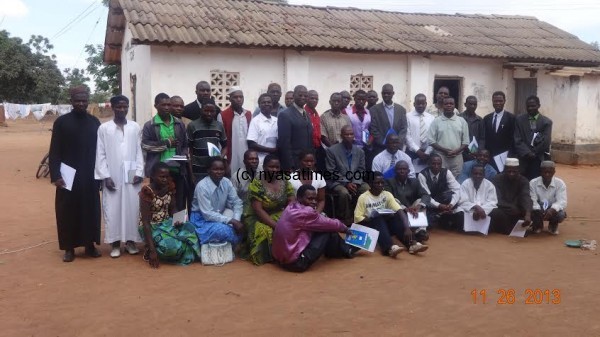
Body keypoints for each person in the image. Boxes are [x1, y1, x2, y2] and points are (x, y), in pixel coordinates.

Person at [49, 86, 102, 262]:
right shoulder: (61, 122)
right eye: (77, 100)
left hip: (90, 174)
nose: (81, 103)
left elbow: (101, 152)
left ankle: (90, 245)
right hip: (68, 175)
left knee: (90, 210)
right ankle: (69, 248)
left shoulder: (95, 122)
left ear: (88, 101)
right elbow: (54, 150)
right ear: (71, 101)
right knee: (67, 211)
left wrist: (101, 174)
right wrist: (56, 175)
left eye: (84, 100)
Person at [95, 95, 144, 258]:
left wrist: (139, 171)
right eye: (119, 107)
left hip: (131, 172)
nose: (122, 109)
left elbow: (138, 151)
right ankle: (115, 244)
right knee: (113, 208)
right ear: (113, 107)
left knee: (132, 207)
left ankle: (130, 242)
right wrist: (105, 176)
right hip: (112, 173)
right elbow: (100, 153)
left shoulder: (135, 127)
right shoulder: (104, 128)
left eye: (125, 106)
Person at [273, 185, 355, 273]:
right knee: (328, 230)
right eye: (309, 199)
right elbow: (330, 224)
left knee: (321, 228)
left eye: (315, 199)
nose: (314, 202)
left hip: (280, 259)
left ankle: (339, 250)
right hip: (296, 263)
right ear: (299, 198)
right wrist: (345, 229)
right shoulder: (306, 212)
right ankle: (346, 250)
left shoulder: (291, 207)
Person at [139, 162, 201, 268]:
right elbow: (145, 222)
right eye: (162, 177)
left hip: (166, 222)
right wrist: (153, 250)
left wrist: (179, 220)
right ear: (153, 176)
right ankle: (151, 250)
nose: (165, 179)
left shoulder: (169, 188)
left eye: (167, 177)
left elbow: (173, 209)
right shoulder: (147, 192)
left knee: (191, 229)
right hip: (152, 226)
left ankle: (171, 245)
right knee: (172, 248)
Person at [355, 172, 429, 257]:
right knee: (378, 219)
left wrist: (407, 228)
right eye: (377, 183)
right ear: (371, 184)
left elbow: (399, 210)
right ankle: (389, 248)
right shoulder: (363, 197)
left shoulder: (387, 194)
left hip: (384, 226)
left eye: (382, 182)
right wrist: (370, 217)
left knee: (395, 217)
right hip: (370, 226)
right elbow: (357, 218)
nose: (380, 185)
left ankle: (412, 244)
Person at [243, 155, 295, 265]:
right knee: (265, 231)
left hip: (277, 213)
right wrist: (277, 226)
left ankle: (291, 252)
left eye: (277, 167)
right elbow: (258, 210)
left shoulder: (284, 180)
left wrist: (287, 218)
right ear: (264, 167)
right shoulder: (257, 183)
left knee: (293, 225)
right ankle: (270, 256)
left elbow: (291, 201)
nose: (275, 170)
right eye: (271, 167)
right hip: (257, 217)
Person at [142, 93, 190, 212]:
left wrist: (184, 155)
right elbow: (146, 145)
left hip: (177, 170)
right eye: (163, 105)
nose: (167, 107)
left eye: (169, 104)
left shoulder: (179, 124)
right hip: (158, 173)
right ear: (156, 106)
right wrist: (166, 143)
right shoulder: (150, 125)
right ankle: (161, 229)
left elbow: (185, 145)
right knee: (159, 204)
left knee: (178, 203)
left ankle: (178, 228)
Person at [189, 157, 244, 245]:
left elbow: (236, 202)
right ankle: (235, 242)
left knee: (238, 221)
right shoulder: (202, 187)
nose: (219, 172)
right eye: (215, 169)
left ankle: (229, 240)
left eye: (221, 169)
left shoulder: (226, 182)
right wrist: (232, 221)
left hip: (219, 216)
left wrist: (236, 220)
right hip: (202, 220)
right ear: (208, 171)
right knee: (222, 230)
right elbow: (207, 214)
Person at [325, 125, 370, 226]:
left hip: (355, 180)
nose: (349, 136)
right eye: (346, 134)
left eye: (351, 134)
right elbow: (331, 171)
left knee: (366, 189)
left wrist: (354, 182)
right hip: (337, 181)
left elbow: (361, 169)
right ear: (341, 136)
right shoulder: (332, 151)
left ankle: (363, 216)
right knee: (344, 193)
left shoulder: (360, 151)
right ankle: (345, 218)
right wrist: (346, 183)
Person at [384, 161, 430, 243]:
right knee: (392, 199)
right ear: (395, 171)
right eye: (399, 169)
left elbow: (426, 195)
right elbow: (389, 199)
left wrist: (418, 206)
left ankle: (421, 231)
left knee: (421, 201)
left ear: (408, 171)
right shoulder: (389, 182)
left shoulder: (414, 181)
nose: (402, 171)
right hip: (398, 211)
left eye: (404, 169)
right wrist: (405, 208)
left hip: (412, 210)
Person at [186, 98, 227, 182]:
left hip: (215, 170)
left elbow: (225, 146)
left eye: (212, 111)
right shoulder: (192, 125)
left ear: (215, 111)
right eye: (206, 110)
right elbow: (189, 151)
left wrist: (219, 158)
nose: (209, 114)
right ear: (201, 110)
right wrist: (191, 173)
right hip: (198, 170)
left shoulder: (219, 126)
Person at [428, 97, 469, 177]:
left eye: (451, 104)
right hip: (441, 158)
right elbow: (431, 140)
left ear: (454, 106)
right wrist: (444, 150)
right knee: (441, 180)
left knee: (456, 182)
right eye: (446, 104)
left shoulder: (461, 121)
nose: (449, 106)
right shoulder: (436, 121)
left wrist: (456, 151)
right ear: (442, 106)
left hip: (457, 158)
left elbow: (466, 142)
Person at [490, 158, 532, 234]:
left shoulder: (523, 181)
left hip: (517, 209)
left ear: (518, 170)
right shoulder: (497, 179)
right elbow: (496, 198)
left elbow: (525, 197)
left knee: (532, 212)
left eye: (514, 172)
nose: (511, 174)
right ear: (504, 169)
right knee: (494, 212)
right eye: (509, 171)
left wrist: (527, 213)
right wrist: (510, 207)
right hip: (502, 208)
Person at [514, 95, 553, 180]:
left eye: (533, 106)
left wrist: (534, 153)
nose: (530, 108)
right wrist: (527, 152)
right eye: (528, 106)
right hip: (523, 158)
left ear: (538, 105)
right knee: (522, 182)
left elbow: (546, 141)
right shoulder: (519, 120)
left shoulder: (546, 122)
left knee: (535, 183)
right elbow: (517, 139)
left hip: (538, 159)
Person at [418, 154, 461, 229]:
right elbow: (426, 196)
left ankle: (443, 215)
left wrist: (451, 204)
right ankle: (437, 214)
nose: (436, 166)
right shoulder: (422, 175)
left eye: (439, 164)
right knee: (429, 224)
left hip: (441, 199)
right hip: (428, 202)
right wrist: (439, 205)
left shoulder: (446, 172)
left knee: (449, 196)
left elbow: (457, 189)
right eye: (433, 163)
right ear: (428, 164)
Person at [277, 85, 313, 171]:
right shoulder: (285, 115)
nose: (303, 97)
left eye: (305, 95)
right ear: (293, 96)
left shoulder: (306, 114)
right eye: (300, 95)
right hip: (294, 163)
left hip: (306, 164)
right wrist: (290, 166)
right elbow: (284, 143)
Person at [455, 164, 498, 232]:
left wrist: (482, 210)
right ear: (471, 174)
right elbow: (462, 201)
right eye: (475, 174)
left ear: (484, 175)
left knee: (497, 212)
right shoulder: (465, 183)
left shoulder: (489, 185)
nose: (478, 176)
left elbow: (492, 202)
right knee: (458, 213)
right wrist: (476, 207)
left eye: (480, 174)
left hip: (485, 211)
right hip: (468, 210)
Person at [369, 84, 408, 155]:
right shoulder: (374, 110)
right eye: (384, 93)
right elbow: (373, 129)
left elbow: (404, 128)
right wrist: (385, 143)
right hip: (380, 148)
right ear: (381, 94)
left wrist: (396, 143)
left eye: (388, 93)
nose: (386, 95)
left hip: (397, 149)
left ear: (393, 93)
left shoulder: (401, 110)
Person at [530, 161, 567, 235]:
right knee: (531, 212)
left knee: (561, 215)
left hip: (552, 208)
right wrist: (538, 210)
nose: (547, 174)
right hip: (538, 208)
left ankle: (553, 225)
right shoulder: (533, 182)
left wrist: (552, 209)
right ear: (540, 171)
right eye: (545, 172)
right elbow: (532, 200)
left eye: (550, 172)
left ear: (554, 172)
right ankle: (538, 225)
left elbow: (562, 201)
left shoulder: (560, 183)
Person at [221, 86, 251, 174]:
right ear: (229, 99)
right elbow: (221, 141)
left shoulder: (248, 114)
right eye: (235, 97)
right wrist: (224, 160)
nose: (238, 99)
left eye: (241, 97)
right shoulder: (223, 115)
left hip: (246, 154)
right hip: (231, 156)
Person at [483, 91, 516, 171]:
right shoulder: (486, 118)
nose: (498, 103)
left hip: (504, 157)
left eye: (500, 101)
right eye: (495, 101)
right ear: (492, 101)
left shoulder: (512, 118)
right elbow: (484, 137)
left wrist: (509, 156)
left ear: (504, 101)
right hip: (489, 157)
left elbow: (514, 139)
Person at [247, 93, 278, 169]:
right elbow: (251, 144)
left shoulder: (276, 120)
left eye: (269, 102)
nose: (266, 104)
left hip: (275, 161)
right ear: (259, 105)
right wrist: (271, 150)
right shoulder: (255, 121)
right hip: (261, 161)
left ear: (272, 104)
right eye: (263, 102)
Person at [405, 94, 435, 163]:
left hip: (428, 154)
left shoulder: (431, 118)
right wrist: (417, 151)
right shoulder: (408, 117)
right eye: (418, 104)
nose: (420, 106)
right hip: (412, 152)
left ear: (426, 104)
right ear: (414, 104)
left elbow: (434, 137)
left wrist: (427, 152)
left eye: (423, 103)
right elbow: (407, 136)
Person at [458, 95, 485, 161]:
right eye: (470, 104)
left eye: (474, 104)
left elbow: (482, 138)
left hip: (475, 153)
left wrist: (479, 150)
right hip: (462, 152)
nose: (473, 106)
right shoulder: (459, 118)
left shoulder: (480, 120)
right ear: (465, 104)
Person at [305, 90, 324, 171]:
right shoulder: (304, 113)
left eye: (316, 99)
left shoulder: (316, 113)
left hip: (317, 148)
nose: (314, 101)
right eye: (312, 98)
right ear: (307, 98)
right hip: (308, 149)